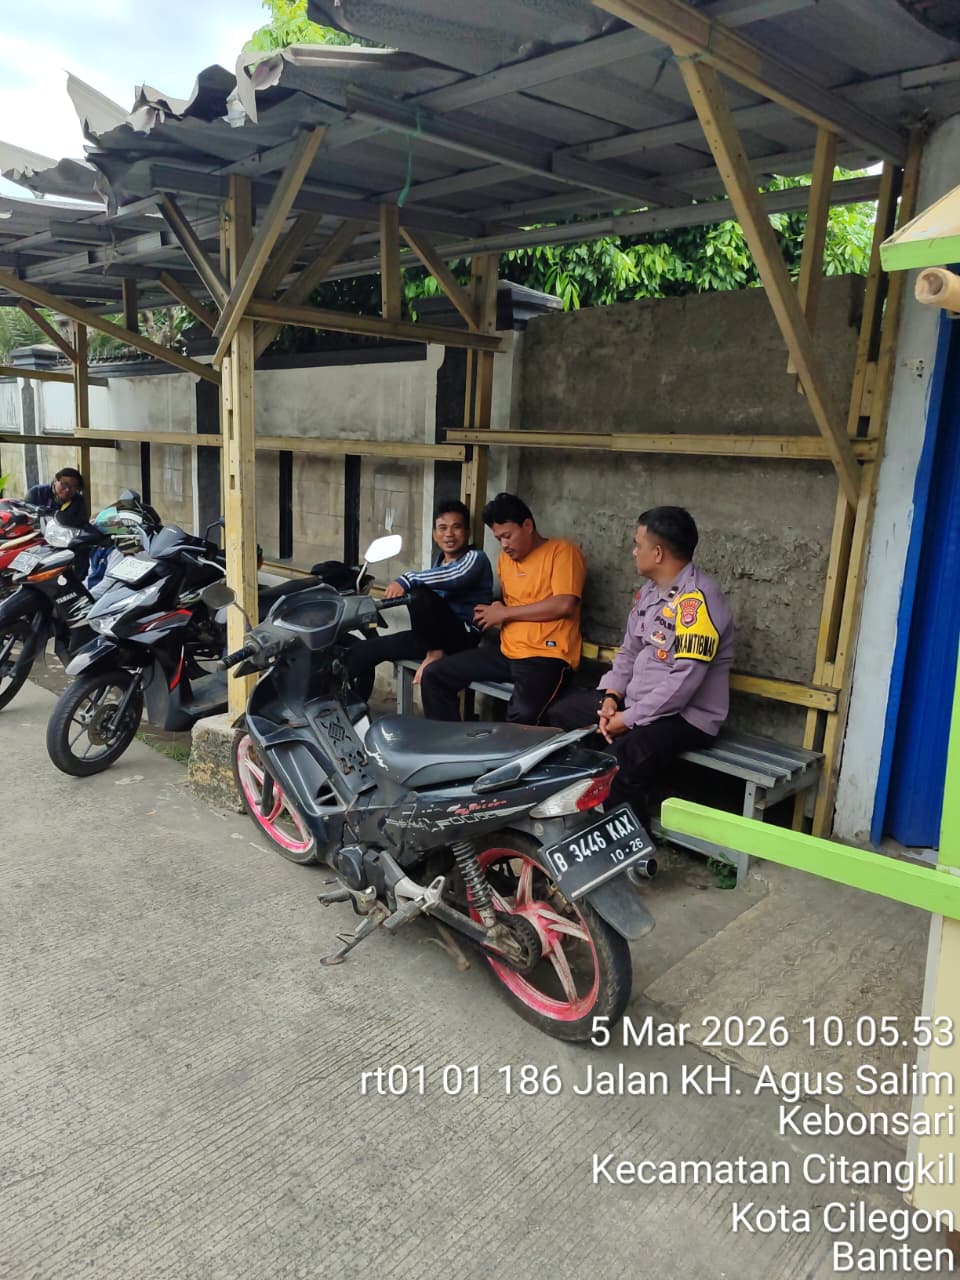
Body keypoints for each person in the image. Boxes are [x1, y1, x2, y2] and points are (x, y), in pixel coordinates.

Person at [548, 506, 734, 828]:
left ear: (658, 553)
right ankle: (582, 817)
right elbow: (629, 652)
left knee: (619, 762)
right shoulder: (649, 593)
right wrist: (611, 697)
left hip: (686, 717)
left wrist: (628, 718)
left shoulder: (698, 602)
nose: (634, 552)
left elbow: (683, 685)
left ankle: (633, 845)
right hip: (639, 704)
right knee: (562, 715)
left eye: (638, 544)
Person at [420, 492, 586, 724]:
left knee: (522, 715)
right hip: (507, 652)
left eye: (508, 536)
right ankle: (450, 744)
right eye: (499, 539)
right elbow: (517, 603)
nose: (504, 545)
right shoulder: (504, 560)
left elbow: (564, 604)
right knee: (434, 675)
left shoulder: (562, 552)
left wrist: (505, 612)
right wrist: (498, 609)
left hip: (546, 656)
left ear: (527, 526)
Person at [345, 499, 493, 702]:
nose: (449, 534)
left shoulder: (476, 558)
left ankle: (435, 653)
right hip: (431, 636)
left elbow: (454, 576)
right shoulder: (439, 562)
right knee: (365, 650)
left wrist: (406, 579)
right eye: (442, 528)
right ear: (434, 534)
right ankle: (332, 699)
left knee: (418, 594)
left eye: (456, 527)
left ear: (467, 533)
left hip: (462, 637)